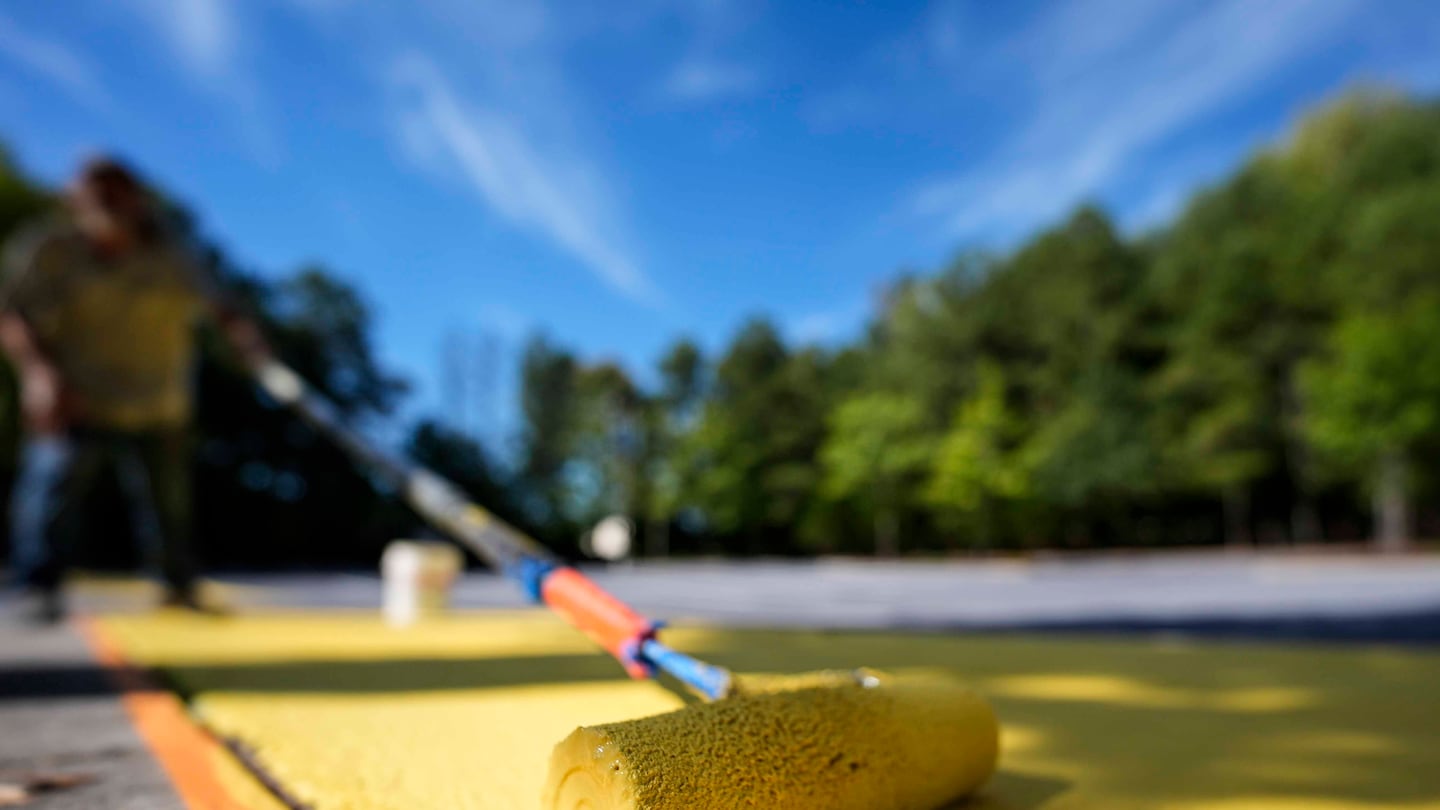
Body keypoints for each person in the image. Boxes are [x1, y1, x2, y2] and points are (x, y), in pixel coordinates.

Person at [1, 156, 268, 623]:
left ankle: (177, 584)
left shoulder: (174, 255)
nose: (102, 201)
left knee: (169, 501)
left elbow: (224, 306)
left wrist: (247, 342)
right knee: (52, 482)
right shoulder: (51, 251)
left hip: (158, 398)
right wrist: (40, 376)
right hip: (78, 397)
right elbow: (13, 313)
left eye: (114, 190)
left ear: (136, 199)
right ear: (73, 201)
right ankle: (38, 586)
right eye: (91, 192)